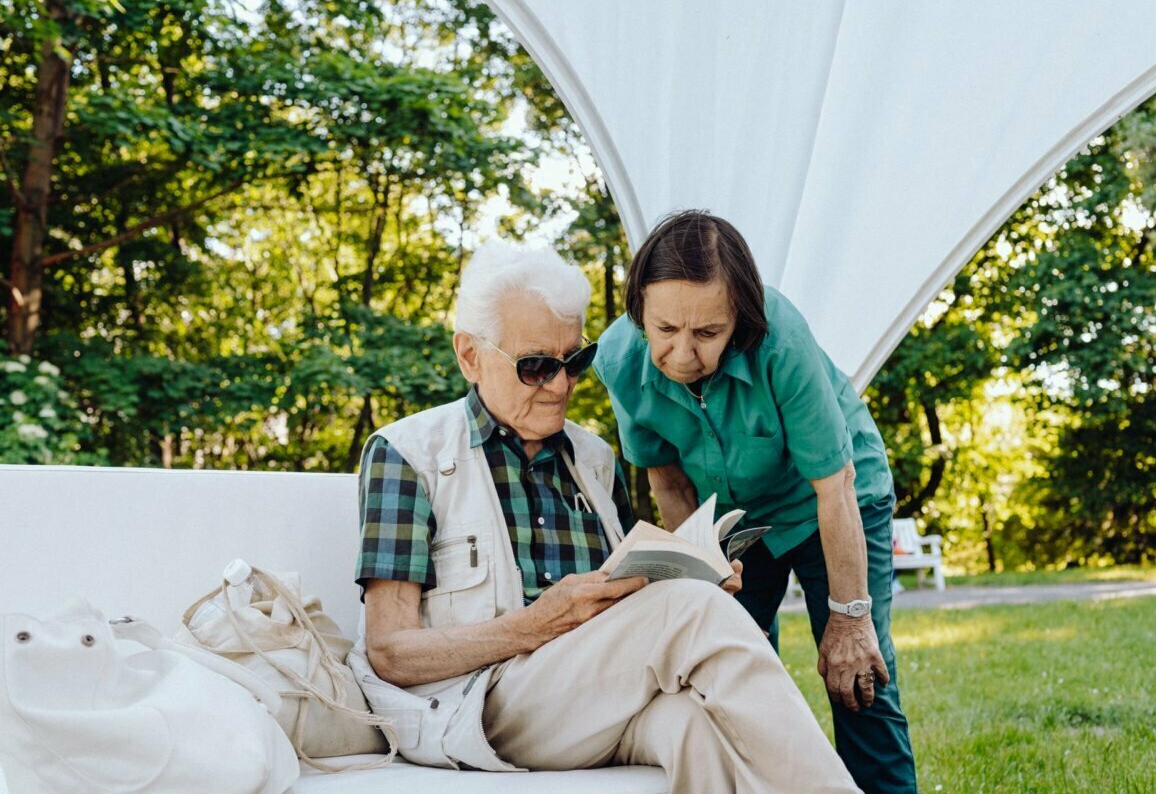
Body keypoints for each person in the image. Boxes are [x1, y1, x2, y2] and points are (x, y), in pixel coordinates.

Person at [351, 240, 861, 794]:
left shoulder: (594, 460)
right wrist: (533, 625)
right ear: (470, 356)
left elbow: (627, 608)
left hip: (589, 701)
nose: (563, 385)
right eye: (537, 366)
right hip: (476, 708)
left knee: (693, 726)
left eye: (575, 361)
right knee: (689, 612)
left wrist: (696, 572)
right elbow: (389, 653)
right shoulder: (407, 454)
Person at [593, 211, 917, 794]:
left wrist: (850, 620)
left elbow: (834, 485)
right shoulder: (618, 358)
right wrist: (706, 574)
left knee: (858, 679)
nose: (683, 355)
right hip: (736, 518)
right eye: (665, 329)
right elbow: (668, 483)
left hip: (836, 499)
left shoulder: (781, 337)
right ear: (639, 307)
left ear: (738, 317)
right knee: (725, 674)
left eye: (707, 334)